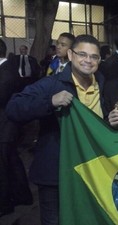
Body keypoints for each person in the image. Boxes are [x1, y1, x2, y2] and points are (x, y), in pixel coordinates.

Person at [6, 34, 105, 225]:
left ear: (99, 60)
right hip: (55, 174)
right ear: (70, 54)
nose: (88, 60)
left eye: (94, 56)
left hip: (91, 172)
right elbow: (14, 107)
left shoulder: (104, 84)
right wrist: (50, 102)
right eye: (82, 54)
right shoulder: (53, 84)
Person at [0, 39, 33, 217]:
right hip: (6, 126)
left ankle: (5, 204)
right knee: (12, 161)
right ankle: (23, 196)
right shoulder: (7, 69)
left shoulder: (7, 73)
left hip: (6, 125)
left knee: (3, 166)